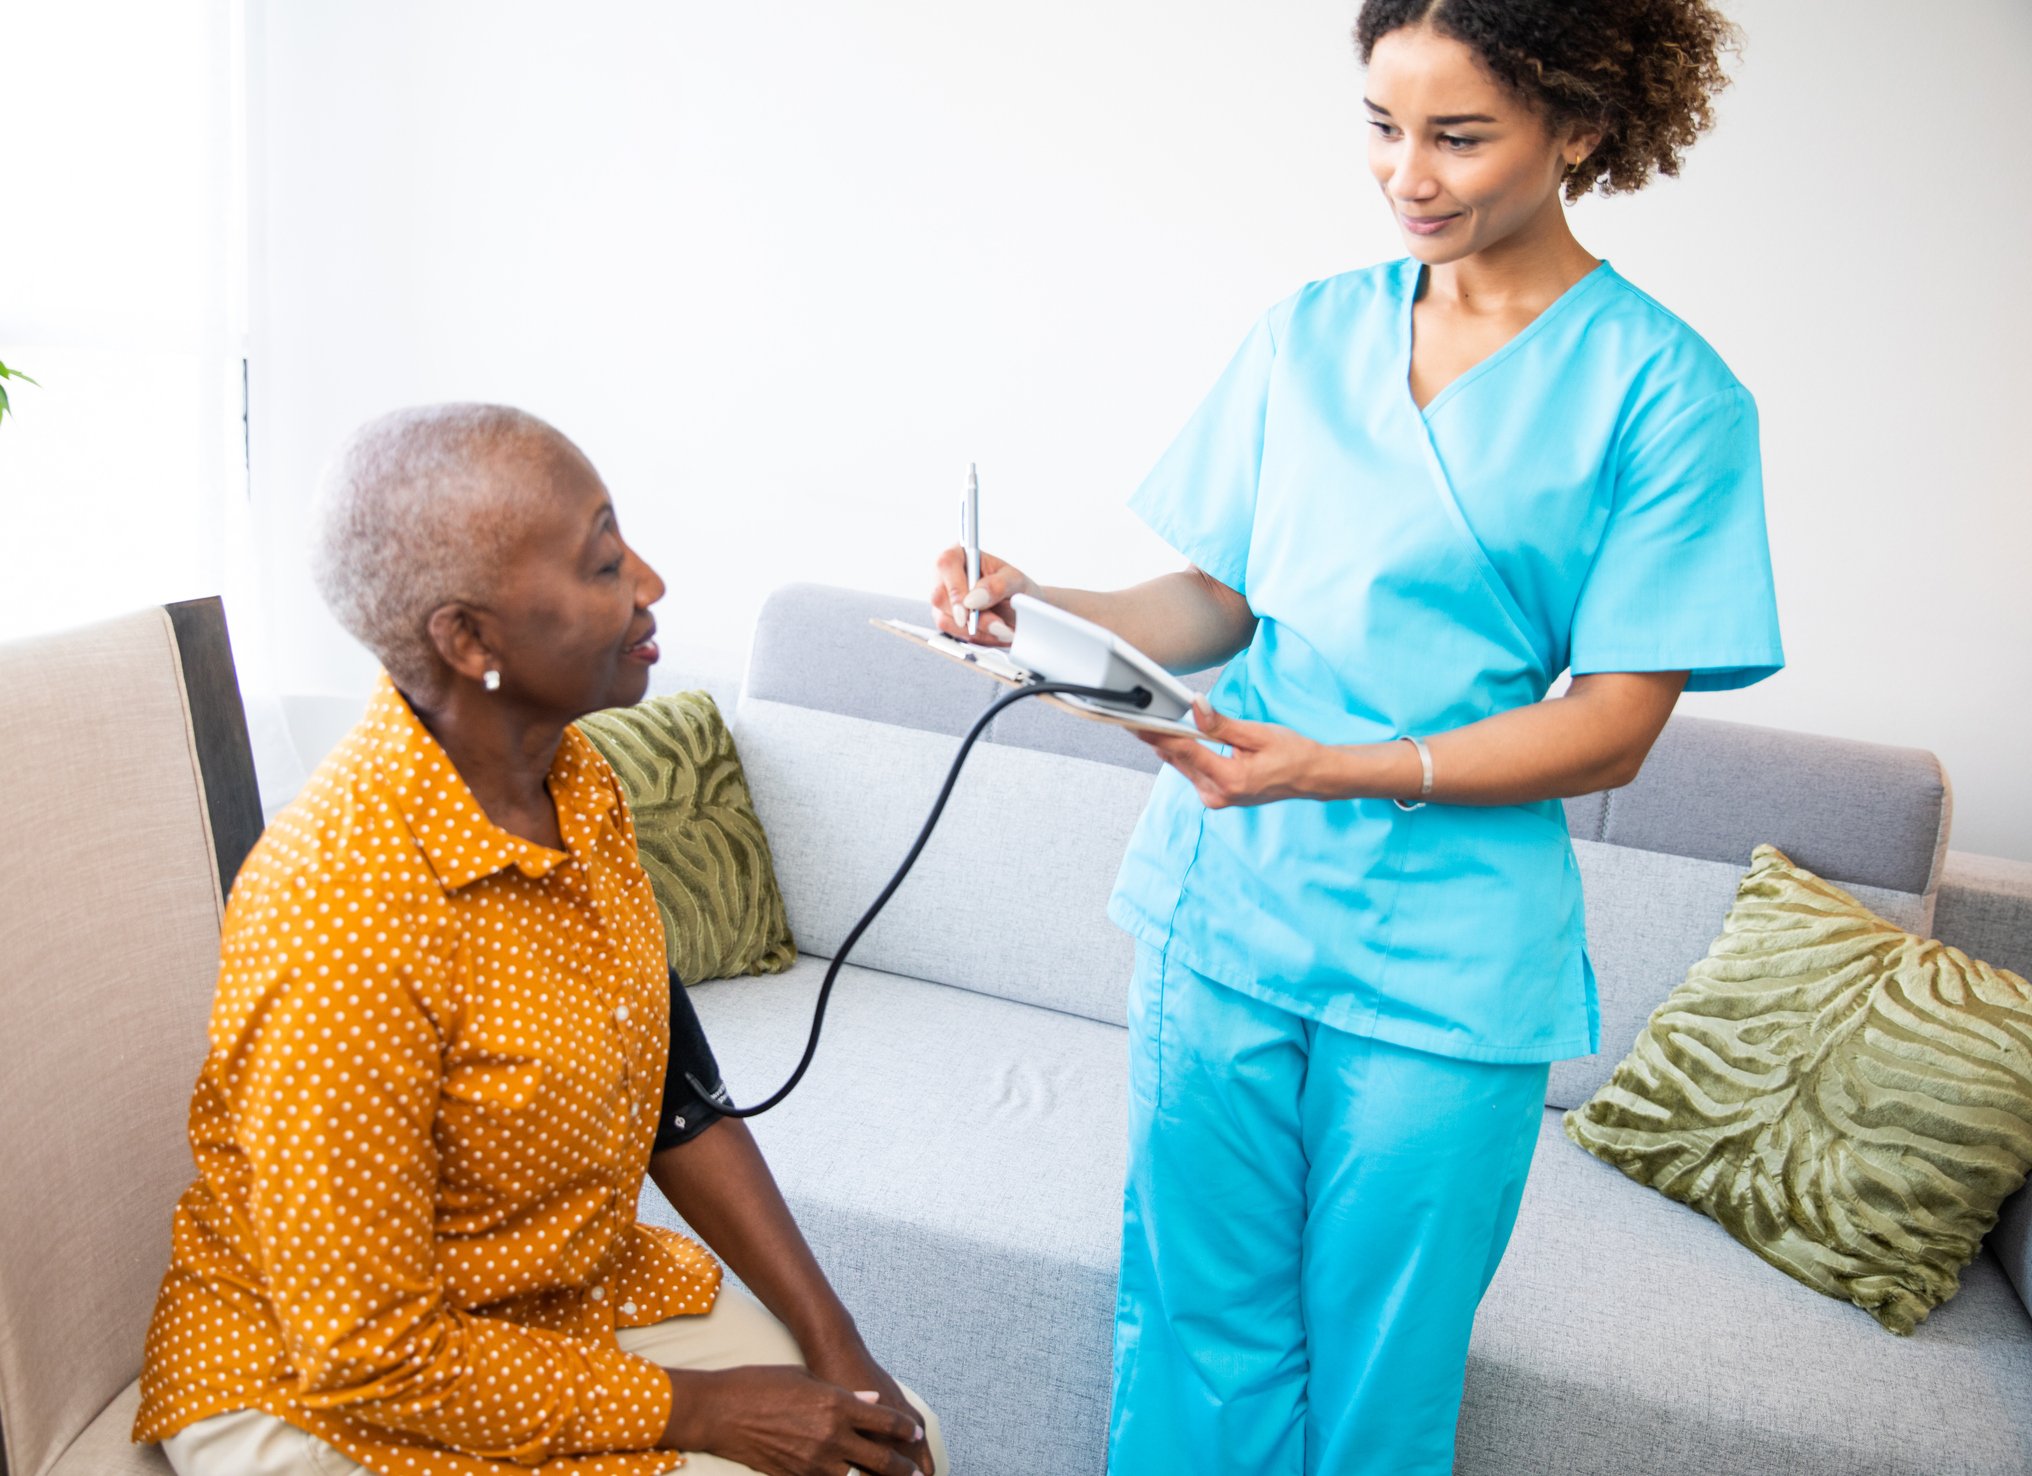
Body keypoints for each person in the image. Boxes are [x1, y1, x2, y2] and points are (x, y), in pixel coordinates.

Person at [930, 2, 1780, 1471]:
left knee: (1380, 1365)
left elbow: (1617, 727)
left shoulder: (1670, 396)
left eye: (1460, 137)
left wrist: (1340, 768)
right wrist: (1032, 604)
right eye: (1385, 129)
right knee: (1196, 1318)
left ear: (1579, 126)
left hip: (1445, 956)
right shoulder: (1311, 330)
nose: (1410, 176)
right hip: (1228, 901)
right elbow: (1215, 597)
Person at [134, 405, 946, 1476]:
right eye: (604, 564)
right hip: (318, 1389)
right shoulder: (337, 907)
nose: (649, 583)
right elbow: (367, 1353)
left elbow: (677, 1101)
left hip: (542, 1301)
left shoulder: (577, 783)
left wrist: (839, 1347)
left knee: (901, 1446)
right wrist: (699, 1413)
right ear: (470, 642)